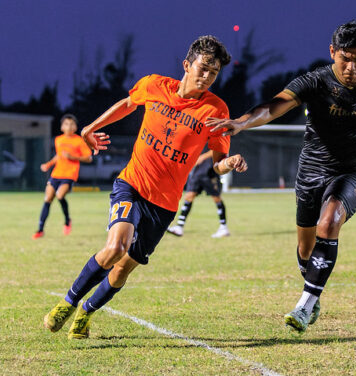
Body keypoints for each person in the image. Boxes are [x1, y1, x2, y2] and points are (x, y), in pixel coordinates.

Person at [207, 20, 356, 333]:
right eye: (344, 58)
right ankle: (313, 291)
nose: (350, 66)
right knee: (306, 250)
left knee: (329, 223)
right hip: (312, 171)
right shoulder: (315, 82)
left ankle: (304, 305)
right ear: (332, 52)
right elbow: (275, 106)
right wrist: (242, 122)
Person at [43, 35, 247, 339]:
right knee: (115, 247)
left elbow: (217, 162)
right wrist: (90, 128)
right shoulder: (154, 85)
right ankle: (68, 302)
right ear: (187, 65)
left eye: (214, 72)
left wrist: (227, 164)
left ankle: (87, 312)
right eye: (203, 68)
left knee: (124, 267)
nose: (207, 76)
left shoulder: (216, 110)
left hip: (164, 204)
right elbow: (127, 104)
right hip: (132, 183)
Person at [33, 114, 92, 239]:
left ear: (75, 127)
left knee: (60, 195)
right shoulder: (58, 140)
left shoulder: (79, 140)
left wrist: (73, 157)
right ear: (61, 127)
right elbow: (58, 156)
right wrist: (48, 165)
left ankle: (67, 221)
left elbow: (89, 158)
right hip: (56, 173)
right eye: (66, 124)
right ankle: (40, 230)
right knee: (48, 198)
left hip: (69, 174)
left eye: (71, 124)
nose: (69, 126)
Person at [166, 149, 230, 238]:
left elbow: (217, 149)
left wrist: (201, 157)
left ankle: (223, 227)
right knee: (189, 196)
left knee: (217, 199)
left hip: (210, 172)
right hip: (198, 172)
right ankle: (179, 227)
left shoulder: (216, 136)